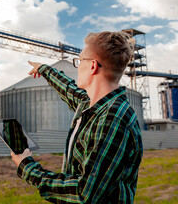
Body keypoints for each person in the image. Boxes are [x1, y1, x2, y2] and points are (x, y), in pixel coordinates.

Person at [11, 31, 143, 203]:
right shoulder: (90, 104)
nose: (78, 66)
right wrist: (44, 69)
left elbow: (84, 193)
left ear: (93, 66)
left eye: (80, 60)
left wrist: (27, 167)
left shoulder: (114, 119)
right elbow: (68, 89)